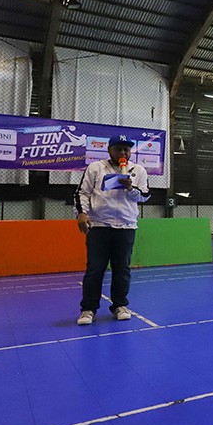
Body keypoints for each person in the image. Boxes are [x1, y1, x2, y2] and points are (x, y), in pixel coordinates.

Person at [73, 134, 150, 325]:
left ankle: (120, 305)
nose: (123, 152)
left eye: (126, 149)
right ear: (109, 150)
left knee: (122, 269)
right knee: (95, 269)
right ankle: (88, 309)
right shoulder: (95, 167)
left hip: (126, 226)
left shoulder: (138, 170)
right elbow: (82, 192)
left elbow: (145, 196)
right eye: (118, 149)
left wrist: (131, 188)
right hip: (99, 226)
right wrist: (82, 213)